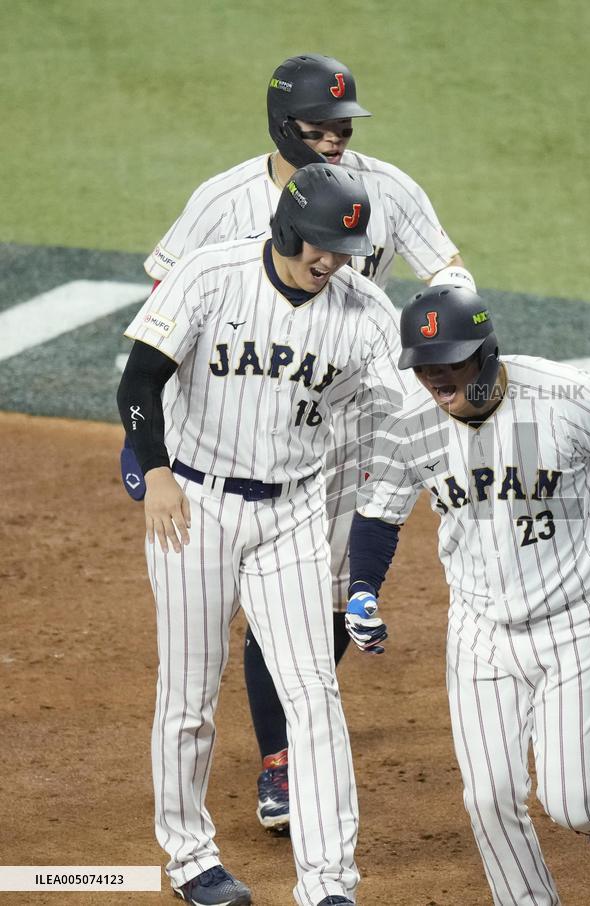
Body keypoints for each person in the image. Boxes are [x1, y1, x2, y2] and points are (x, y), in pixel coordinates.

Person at [138, 51, 471, 834]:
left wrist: (445, 335)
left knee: (315, 598)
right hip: (228, 426)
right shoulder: (222, 203)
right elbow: (164, 308)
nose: (337, 142)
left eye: (344, 128)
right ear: (283, 124)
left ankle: (282, 752)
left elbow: (448, 270)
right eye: (322, 130)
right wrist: (147, 444)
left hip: (345, 419)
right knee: (221, 631)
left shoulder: (385, 190)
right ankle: (277, 756)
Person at [117, 163, 410, 906]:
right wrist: (154, 476)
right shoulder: (211, 276)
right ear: (287, 227)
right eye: (320, 246)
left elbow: (410, 418)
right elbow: (140, 379)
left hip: (294, 517)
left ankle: (329, 883)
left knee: (314, 695)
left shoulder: (367, 312)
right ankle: (190, 859)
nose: (331, 262)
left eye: (343, 251)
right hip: (195, 510)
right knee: (188, 694)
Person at [343, 283, 590, 904]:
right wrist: (363, 589)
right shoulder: (411, 425)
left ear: (487, 353)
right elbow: (378, 515)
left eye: (449, 362)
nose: (436, 379)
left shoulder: (562, 394)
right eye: (424, 367)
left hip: (576, 623)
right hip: (478, 634)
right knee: (489, 797)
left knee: (571, 800)